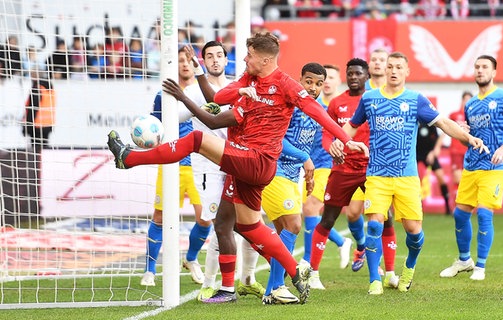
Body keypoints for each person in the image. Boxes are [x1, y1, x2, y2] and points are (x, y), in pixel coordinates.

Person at [107, 32, 368, 304]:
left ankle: (129, 158)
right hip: (246, 161)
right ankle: (295, 272)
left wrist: (346, 140)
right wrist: (239, 90)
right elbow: (220, 96)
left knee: (196, 140)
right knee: (250, 226)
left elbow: (317, 111)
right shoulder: (249, 79)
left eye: (250, 55)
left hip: (260, 160)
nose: (244, 58)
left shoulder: (286, 85)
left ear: (266, 59)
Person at [339, 51, 487, 295]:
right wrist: (340, 140)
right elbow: (351, 126)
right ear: (385, 70)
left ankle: (409, 266)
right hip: (377, 175)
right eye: (391, 66)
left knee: (414, 233)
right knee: (374, 225)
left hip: (407, 177)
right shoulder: (370, 99)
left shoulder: (416, 99)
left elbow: (444, 123)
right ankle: (375, 280)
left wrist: (468, 138)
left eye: (399, 67)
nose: (394, 70)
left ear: (407, 72)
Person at [180, 41, 265, 303]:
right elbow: (176, 119)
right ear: (202, 62)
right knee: (220, 224)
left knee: (250, 221)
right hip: (210, 167)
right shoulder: (194, 90)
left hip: (240, 163)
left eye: (219, 55)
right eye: (209, 56)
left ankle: (248, 279)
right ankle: (209, 283)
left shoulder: (238, 88)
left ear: (227, 60)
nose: (215, 60)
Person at [439, 55, 503, 281]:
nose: (480, 70)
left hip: (494, 167)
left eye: (485, 67)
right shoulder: (470, 105)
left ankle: (480, 266)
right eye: (477, 67)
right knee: (460, 214)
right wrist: (464, 134)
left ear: (494, 72)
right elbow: (469, 140)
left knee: (483, 213)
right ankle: (464, 260)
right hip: (471, 165)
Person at [140, 47, 206, 288]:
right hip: (171, 164)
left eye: (189, 60)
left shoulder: (203, 93)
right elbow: (154, 127)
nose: (185, 65)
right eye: (180, 61)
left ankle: (191, 258)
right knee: (159, 216)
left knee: (206, 218)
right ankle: (149, 270)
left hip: (200, 163)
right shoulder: (163, 95)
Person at [261, 62, 326, 304]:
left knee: (282, 236)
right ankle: (276, 286)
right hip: (274, 171)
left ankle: (271, 291)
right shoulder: (290, 106)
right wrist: (304, 158)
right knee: (294, 225)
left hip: (292, 176)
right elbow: (277, 139)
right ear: (300, 80)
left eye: (318, 84)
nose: (313, 87)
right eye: (308, 81)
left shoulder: (318, 109)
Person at [308, 58, 370, 289]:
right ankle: (313, 272)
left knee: (378, 218)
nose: (353, 77)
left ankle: (380, 269)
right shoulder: (337, 103)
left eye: (358, 73)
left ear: (367, 76)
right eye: (350, 73)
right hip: (342, 168)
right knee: (328, 218)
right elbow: (327, 134)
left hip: (369, 168)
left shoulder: (373, 100)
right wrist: (330, 146)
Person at [301, 63, 352, 276]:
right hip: (305, 166)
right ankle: (342, 241)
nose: (328, 82)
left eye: (332, 77)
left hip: (326, 166)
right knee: (303, 213)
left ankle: (307, 262)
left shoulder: (341, 108)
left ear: (338, 81)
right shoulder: (311, 104)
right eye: (325, 78)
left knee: (310, 209)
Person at [364, 48, 399, 288]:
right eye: (374, 60)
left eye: (382, 61)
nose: (378, 64)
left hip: (387, 162)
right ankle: (360, 245)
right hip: (361, 161)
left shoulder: (395, 92)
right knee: (358, 214)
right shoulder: (362, 91)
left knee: (387, 217)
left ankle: (389, 271)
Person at [416, 122, 452, 215]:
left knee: (441, 177)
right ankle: (415, 207)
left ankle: (448, 207)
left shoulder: (430, 123)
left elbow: (437, 138)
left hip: (429, 153)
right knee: (414, 180)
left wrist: (433, 152)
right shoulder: (413, 122)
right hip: (415, 154)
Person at [23, 68, 56, 151]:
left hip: (37, 126)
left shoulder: (37, 88)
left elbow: (33, 109)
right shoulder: (50, 88)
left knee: (36, 151)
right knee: (44, 149)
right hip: (48, 124)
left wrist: (28, 127)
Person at [448, 91, 473, 201]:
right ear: (462, 101)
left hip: (469, 151)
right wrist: (438, 146)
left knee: (468, 180)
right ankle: (456, 206)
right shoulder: (454, 115)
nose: (467, 102)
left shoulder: (474, 116)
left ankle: (465, 204)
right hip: (456, 150)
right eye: (465, 99)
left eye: (469, 100)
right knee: (457, 178)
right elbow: (446, 129)